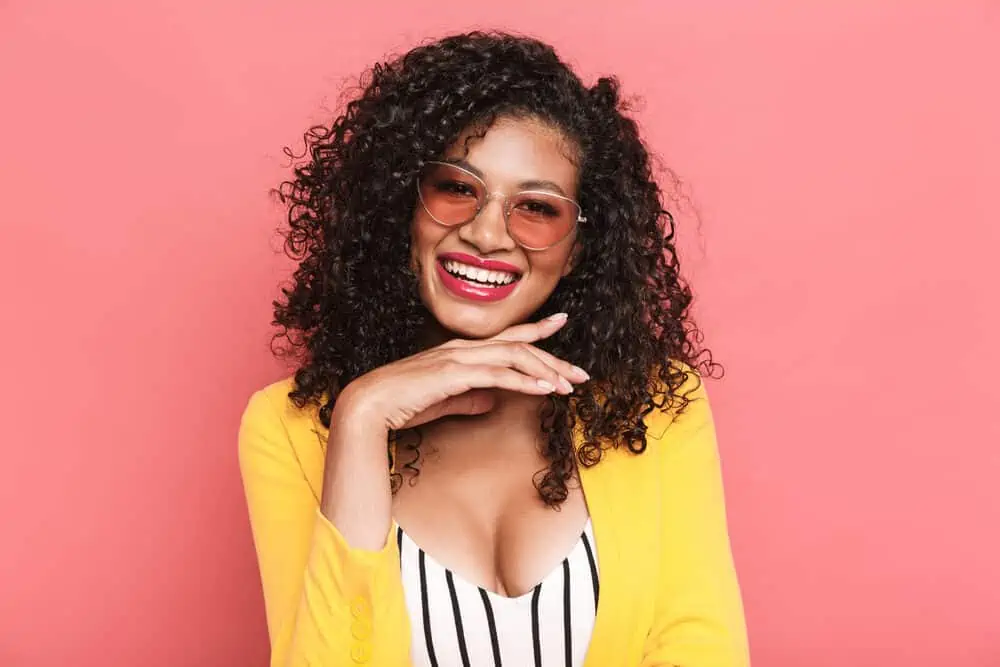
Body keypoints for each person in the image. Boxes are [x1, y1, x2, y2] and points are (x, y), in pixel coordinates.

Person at [238, 30, 750, 667]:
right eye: (457, 189)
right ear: (402, 204)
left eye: (536, 208)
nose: (485, 234)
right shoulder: (289, 428)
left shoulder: (655, 407)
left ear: (578, 249)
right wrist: (361, 418)